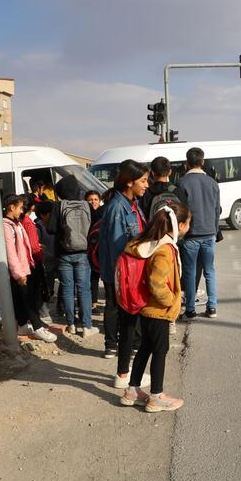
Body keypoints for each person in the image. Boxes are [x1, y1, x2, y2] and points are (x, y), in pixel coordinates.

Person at [120, 202, 189, 412]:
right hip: (158, 309)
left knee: (146, 347)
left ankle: (132, 391)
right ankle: (156, 396)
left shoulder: (151, 243)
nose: (189, 227)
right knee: (160, 350)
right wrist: (171, 300)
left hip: (145, 307)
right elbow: (156, 283)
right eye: (188, 223)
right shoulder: (165, 250)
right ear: (180, 225)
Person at [98, 159, 149, 377]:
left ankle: (126, 371)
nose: (146, 185)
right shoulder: (117, 208)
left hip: (131, 273)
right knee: (126, 321)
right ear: (129, 182)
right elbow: (119, 250)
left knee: (130, 321)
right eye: (143, 181)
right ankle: (124, 374)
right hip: (123, 274)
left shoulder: (132, 204)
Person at [1, 194, 57, 342]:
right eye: (20, 208)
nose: (22, 211)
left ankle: (22, 325)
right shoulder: (6, 226)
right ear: (11, 207)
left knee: (21, 299)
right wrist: (19, 273)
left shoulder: (15, 223)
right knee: (29, 300)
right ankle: (38, 328)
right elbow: (10, 252)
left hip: (24, 266)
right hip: (18, 270)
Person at [50, 176, 96, 337]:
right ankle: (87, 326)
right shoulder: (87, 205)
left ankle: (71, 324)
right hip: (83, 252)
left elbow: (51, 229)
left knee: (67, 289)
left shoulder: (58, 206)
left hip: (64, 253)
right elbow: (94, 227)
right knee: (84, 289)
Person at [177, 147, 220, 319]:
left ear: (186, 163)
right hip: (209, 232)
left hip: (191, 234)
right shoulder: (212, 182)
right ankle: (212, 307)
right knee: (210, 270)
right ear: (203, 162)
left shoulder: (182, 183)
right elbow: (216, 210)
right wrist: (214, 230)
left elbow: (181, 211)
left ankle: (190, 310)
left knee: (190, 272)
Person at [20, 195, 47, 324]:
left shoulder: (19, 221)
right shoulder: (28, 222)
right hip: (32, 262)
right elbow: (34, 247)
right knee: (34, 293)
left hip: (23, 261)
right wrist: (41, 257)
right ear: (32, 207)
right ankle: (35, 321)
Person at [35, 201, 56, 320]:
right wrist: (49, 255)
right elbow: (38, 247)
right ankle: (43, 311)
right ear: (43, 215)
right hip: (45, 263)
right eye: (50, 214)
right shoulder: (38, 228)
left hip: (53, 262)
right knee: (45, 287)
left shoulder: (53, 224)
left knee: (51, 286)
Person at [85, 190, 103, 315]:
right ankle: (92, 304)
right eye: (90, 199)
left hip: (100, 249)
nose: (93, 202)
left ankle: (94, 303)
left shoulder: (103, 213)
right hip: (88, 249)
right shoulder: (84, 214)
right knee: (92, 278)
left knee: (97, 276)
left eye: (96, 199)